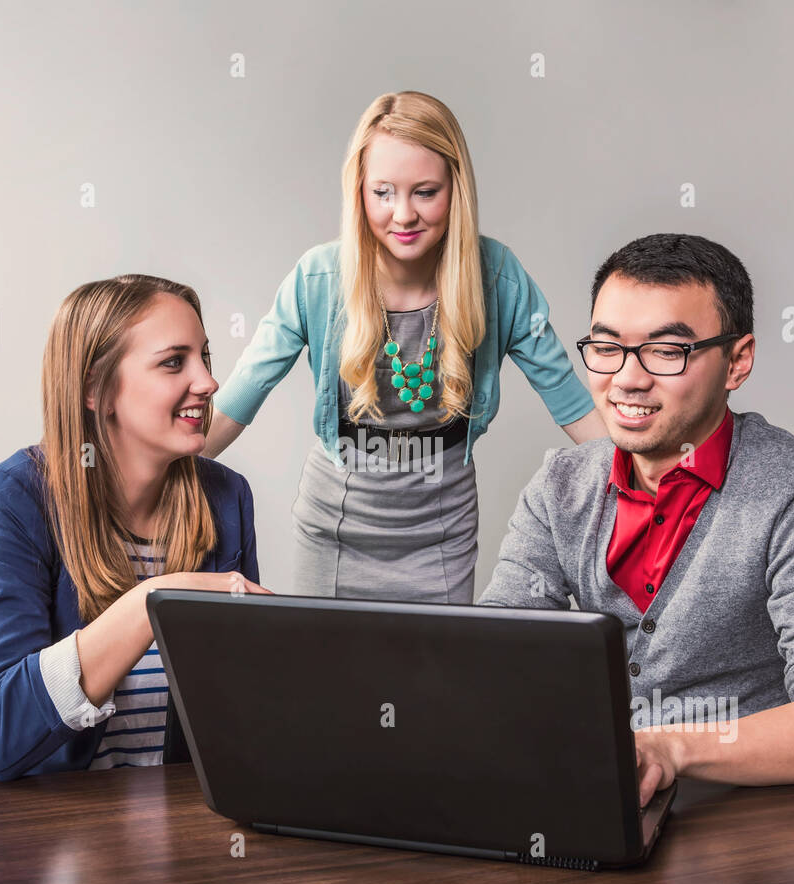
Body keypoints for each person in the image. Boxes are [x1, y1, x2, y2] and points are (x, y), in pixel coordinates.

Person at [477, 233, 794, 806]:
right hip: (602, 806)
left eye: (667, 352)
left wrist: (668, 749)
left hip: (751, 829)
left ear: (737, 361)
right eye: (606, 347)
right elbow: (495, 659)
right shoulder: (560, 486)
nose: (627, 378)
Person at [203, 90, 606, 603]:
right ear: (360, 192)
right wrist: (154, 477)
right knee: (325, 682)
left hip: (441, 537)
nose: (403, 214)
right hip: (335, 531)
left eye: (425, 191)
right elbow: (242, 396)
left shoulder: (497, 276)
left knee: (431, 683)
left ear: (455, 190)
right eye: (383, 192)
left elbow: (570, 400)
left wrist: (659, 473)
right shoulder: (318, 277)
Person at [0, 275, 270, 783]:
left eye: (205, 357)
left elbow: (238, 706)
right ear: (95, 389)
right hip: (8, 830)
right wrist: (158, 597)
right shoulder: (15, 501)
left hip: (159, 830)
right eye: (174, 362)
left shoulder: (226, 499)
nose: (208, 382)